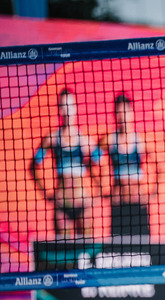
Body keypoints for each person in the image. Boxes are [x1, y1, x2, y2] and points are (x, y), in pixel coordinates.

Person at [30, 88, 99, 240]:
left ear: (75, 108)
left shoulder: (85, 140)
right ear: (60, 110)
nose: (67, 111)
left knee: (87, 250)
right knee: (64, 252)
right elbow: (34, 165)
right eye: (64, 106)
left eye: (70, 106)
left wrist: (97, 192)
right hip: (62, 204)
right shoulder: (53, 139)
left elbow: (101, 163)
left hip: (82, 203)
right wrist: (46, 193)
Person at [98, 94, 158, 238]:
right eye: (119, 112)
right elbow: (91, 161)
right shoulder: (109, 139)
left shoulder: (140, 140)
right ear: (115, 115)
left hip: (138, 203)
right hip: (119, 204)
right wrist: (101, 189)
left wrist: (153, 193)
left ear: (131, 113)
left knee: (144, 247)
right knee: (118, 248)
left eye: (125, 112)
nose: (123, 117)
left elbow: (159, 167)